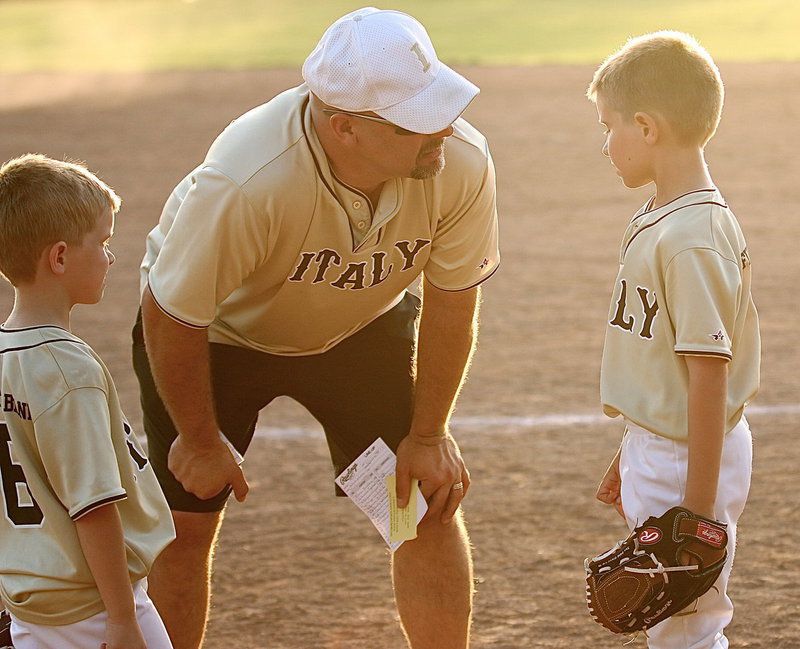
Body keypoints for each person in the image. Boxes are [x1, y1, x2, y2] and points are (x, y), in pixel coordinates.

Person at [133, 7, 499, 649]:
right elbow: (171, 311)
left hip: (358, 330)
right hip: (219, 338)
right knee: (186, 523)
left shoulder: (459, 161)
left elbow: (451, 300)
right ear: (345, 128)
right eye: (418, 118)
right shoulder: (250, 179)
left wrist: (428, 433)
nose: (442, 126)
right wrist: (197, 437)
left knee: (422, 507)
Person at [587, 32, 760, 649]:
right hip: (662, 446)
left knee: (686, 627)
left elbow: (709, 375)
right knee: (672, 624)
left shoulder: (691, 237)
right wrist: (629, 449)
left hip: (688, 457)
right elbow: (662, 365)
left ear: (647, 127)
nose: (605, 144)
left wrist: (698, 514)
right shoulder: (666, 218)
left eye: (610, 127)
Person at [0, 154, 176, 649]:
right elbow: (93, 506)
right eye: (102, 243)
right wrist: (121, 620)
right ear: (58, 258)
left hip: (31, 604)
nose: (110, 257)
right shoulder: (66, 369)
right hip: (95, 606)